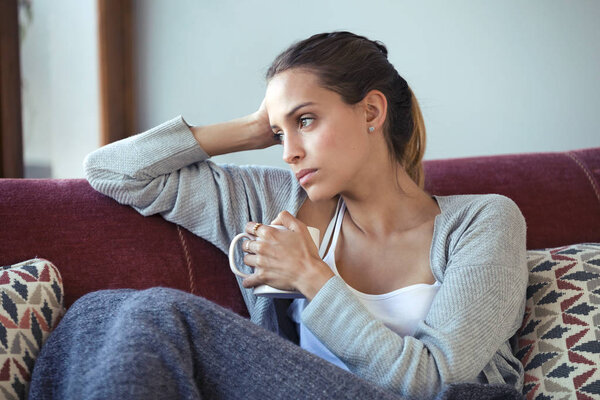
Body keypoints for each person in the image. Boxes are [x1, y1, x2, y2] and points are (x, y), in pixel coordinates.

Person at [29, 31, 527, 399]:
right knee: (101, 313)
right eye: (279, 132)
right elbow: (113, 171)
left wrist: (311, 276)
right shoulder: (277, 203)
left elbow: (434, 381)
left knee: (163, 314)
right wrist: (251, 127)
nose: (288, 151)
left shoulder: (482, 222)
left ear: (372, 112)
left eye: (306, 120)